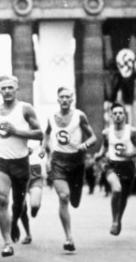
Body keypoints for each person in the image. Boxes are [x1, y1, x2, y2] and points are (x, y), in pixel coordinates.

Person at [0, 75, 43, 257]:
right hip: (0, 162)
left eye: (10, 88)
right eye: (3, 88)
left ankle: (14, 223)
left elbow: (39, 134)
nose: (7, 91)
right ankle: (7, 242)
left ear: (16, 89)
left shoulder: (25, 109)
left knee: (18, 205)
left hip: (21, 163)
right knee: (2, 200)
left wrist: (17, 132)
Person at [40, 86, 96, 251]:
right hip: (58, 161)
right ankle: (69, 238)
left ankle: (74, 201)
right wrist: (43, 148)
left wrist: (85, 144)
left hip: (77, 162)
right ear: (58, 100)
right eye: (62, 97)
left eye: (68, 97)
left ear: (72, 100)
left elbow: (93, 137)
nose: (64, 100)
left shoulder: (79, 116)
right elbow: (47, 134)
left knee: (75, 201)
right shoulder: (51, 117)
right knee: (63, 196)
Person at [93, 102, 136, 236]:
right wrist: (99, 154)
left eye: (120, 113)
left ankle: (118, 220)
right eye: (115, 113)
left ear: (124, 115)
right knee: (116, 189)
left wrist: (130, 154)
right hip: (112, 165)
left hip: (127, 166)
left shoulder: (131, 131)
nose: (118, 116)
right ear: (111, 116)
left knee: (124, 197)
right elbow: (105, 146)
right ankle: (114, 221)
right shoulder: (106, 132)